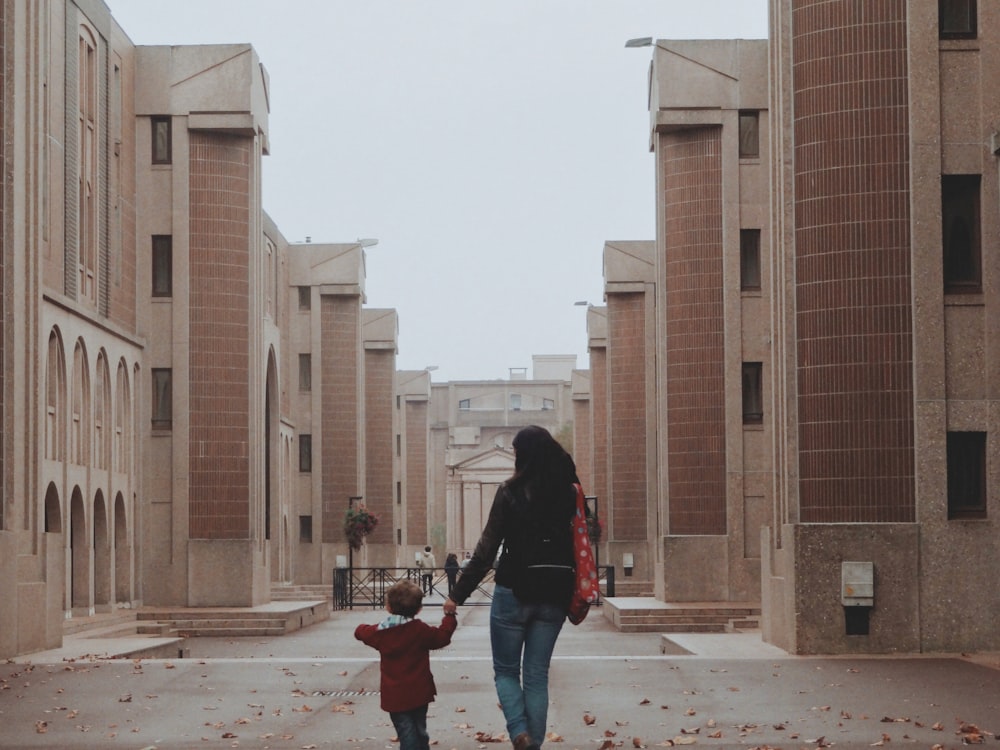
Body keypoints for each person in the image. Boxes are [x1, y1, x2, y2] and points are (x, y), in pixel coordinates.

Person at [444, 425, 579, 750]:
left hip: (513, 589)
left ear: (523, 456)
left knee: (506, 672)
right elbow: (585, 537)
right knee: (536, 676)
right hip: (555, 593)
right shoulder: (570, 492)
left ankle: (518, 730)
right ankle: (532, 745)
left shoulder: (509, 491)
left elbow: (486, 550)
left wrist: (457, 595)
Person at [355, 580, 457, 750]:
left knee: (406, 732)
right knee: (420, 729)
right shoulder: (420, 630)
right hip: (419, 691)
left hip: (394, 693)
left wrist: (361, 628)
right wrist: (449, 617)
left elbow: (361, 632)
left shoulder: (380, 632)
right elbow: (442, 636)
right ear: (418, 609)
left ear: (388, 607)